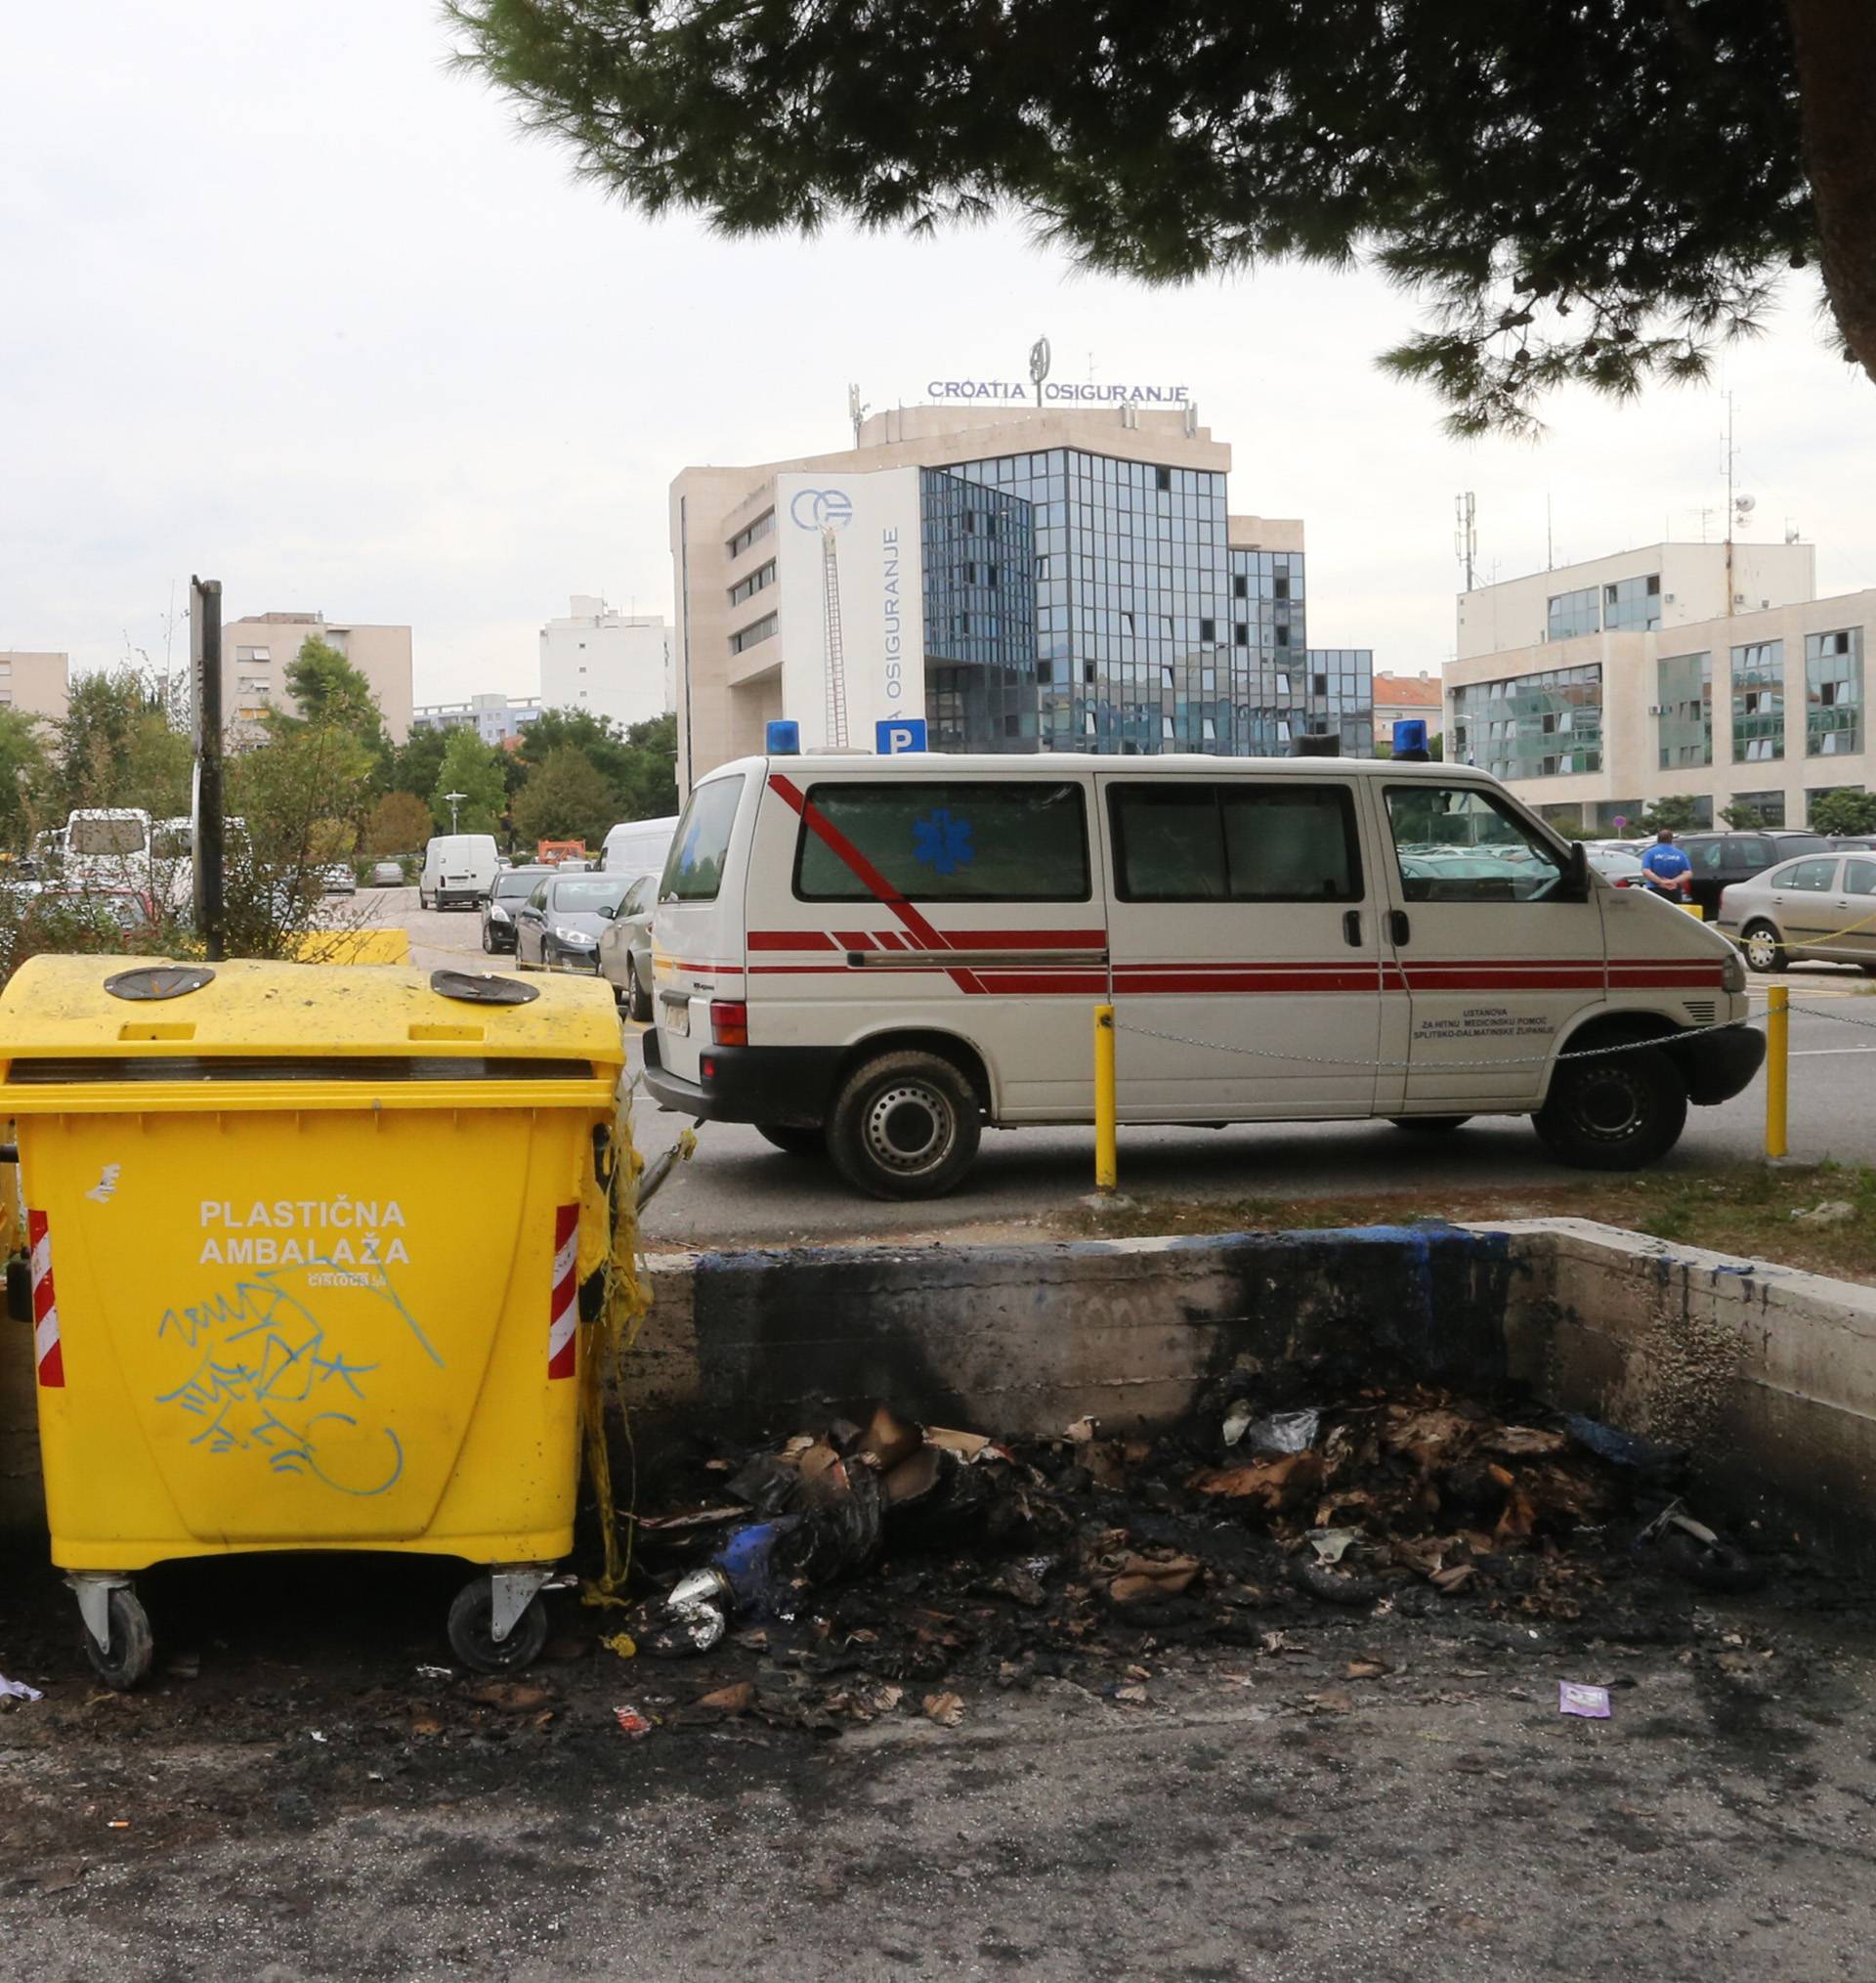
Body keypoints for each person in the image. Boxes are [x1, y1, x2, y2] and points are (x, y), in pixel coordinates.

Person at [1638, 828, 1692, 898]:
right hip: (1674, 890)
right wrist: (1673, 881)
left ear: (1658, 840)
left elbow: (1646, 871)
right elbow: (1687, 873)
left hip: (1655, 890)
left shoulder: (1650, 852)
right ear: (1671, 840)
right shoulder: (1680, 854)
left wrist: (1661, 882)